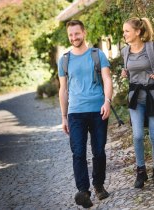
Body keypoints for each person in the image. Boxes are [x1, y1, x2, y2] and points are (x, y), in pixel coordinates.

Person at [58, 20, 113, 208]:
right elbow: (63, 90)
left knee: (99, 151)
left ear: (84, 33)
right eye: (71, 35)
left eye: (77, 33)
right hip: (75, 113)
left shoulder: (98, 55)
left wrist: (107, 101)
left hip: (98, 110)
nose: (74, 38)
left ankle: (98, 185)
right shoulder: (64, 60)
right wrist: (64, 116)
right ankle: (83, 191)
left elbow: (107, 78)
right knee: (78, 153)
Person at [121, 17, 154, 189]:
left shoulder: (151, 48)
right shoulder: (125, 51)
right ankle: (141, 171)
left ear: (138, 32)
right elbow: (127, 70)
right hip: (135, 98)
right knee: (138, 135)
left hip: (152, 96)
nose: (124, 34)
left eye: (127, 31)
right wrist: (124, 73)